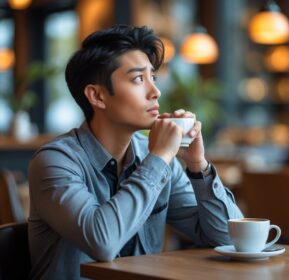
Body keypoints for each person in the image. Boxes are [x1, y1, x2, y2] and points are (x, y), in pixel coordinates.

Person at [28, 24, 243, 280]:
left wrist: (199, 166)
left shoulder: (156, 157)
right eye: (138, 79)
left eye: (153, 77)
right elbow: (102, 242)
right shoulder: (54, 161)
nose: (155, 91)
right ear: (96, 96)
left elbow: (231, 238)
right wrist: (160, 158)